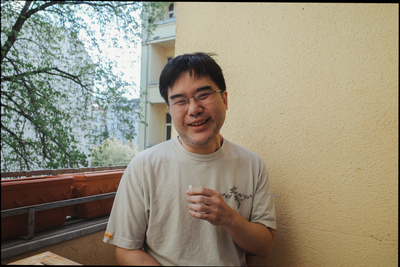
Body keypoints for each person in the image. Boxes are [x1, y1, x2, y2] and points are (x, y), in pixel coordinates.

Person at [103, 52, 276, 266]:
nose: (194, 109)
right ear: (169, 110)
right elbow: (126, 250)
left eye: (203, 95)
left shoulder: (252, 164)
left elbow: (264, 247)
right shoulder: (144, 166)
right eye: (180, 101)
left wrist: (229, 218)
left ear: (224, 99)